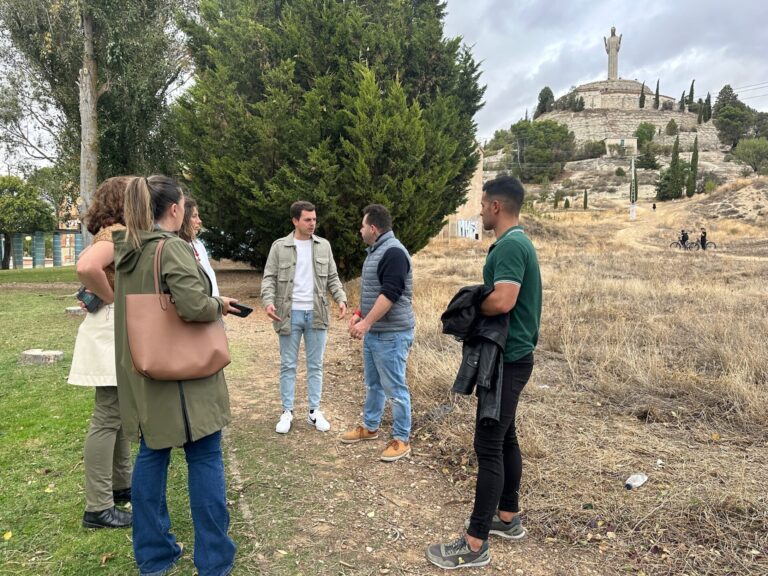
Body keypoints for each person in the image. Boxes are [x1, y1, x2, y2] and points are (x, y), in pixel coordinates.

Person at [114, 176, 238, 576]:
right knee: (204, 457)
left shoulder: (129, 251)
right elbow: (192, 306)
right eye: (184, 204)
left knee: (152, 456)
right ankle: (214, 560)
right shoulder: (172, 248)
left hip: (147, 372)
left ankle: (153, 555)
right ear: (173, 209)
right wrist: (218, 303)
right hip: (185, 379)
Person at [426, 176, 542, 570]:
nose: (479, 210)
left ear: (496, 206)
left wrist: (472, 305)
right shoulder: (518, 243)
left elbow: (505, 299)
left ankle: (475, 543)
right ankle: (507, 517)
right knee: (506, 435)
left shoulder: (510, 245)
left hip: (507, 359)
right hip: (515, 356)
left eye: (482, 203)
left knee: (488, 444)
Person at [68, 176, 133, 529]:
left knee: (118, 415)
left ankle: (121, 485)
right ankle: (98, 507)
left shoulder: (110, 231)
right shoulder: (116, 233)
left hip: (109, 331)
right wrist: (113, 298)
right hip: (109, 331)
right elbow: (86, 267)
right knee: (108, 418)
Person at [261, 200, 347, 434]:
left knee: (315, 364)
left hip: (317, 314)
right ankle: (287, 411)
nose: (312, 224)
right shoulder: (279, 247)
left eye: (314, 219)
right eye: (307, 219)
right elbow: (268, 278)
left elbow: (332, 277)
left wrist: (341, 298)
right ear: (295, 221)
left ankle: (313, 411)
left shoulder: (323, 246)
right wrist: (268, 302)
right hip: (288, 314)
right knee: (288, 365)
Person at [341, 204, 415, 462]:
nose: (360, 231)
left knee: (395, 388)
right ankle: (370, 427)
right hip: (377, 332)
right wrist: (360, 314)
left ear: (373, 228)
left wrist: (367, 323)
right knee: (373, 384)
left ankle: (401, 439)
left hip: (392, 334)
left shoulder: (393, 252)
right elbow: (373, 290)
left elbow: (390, 294)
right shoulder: (375, 251)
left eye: (362, 226)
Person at [179, 197, 219, 296]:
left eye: (198, 216)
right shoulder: (176, 247)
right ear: (183, 219)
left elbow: (210, 277)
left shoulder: (198, 245)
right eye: (194, 216)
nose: (199, 221)